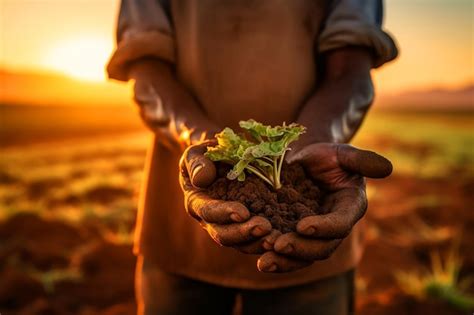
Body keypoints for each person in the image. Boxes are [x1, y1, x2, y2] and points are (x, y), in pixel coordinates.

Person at [107, 0, 398, 314]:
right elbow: (147, 73)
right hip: (177, 234)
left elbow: (351, 70)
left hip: (312, 221)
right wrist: (205, 144)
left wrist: (315, 140)